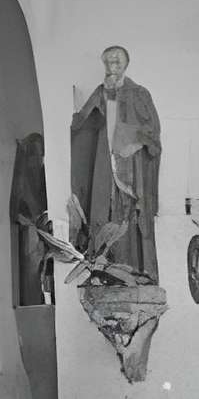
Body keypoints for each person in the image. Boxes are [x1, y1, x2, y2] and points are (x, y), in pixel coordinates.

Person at [68, 46, 161, 282]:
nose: (112, 67)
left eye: (117, 62)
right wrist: (76, 116)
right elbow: (82, 125)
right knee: (104, 208)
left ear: (126, 65)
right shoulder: (100, 93)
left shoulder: (139, 94)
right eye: (108, 63)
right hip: (104, 164)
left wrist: (133, 142)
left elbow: (152, 132)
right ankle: (106, 269)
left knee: (129, 214)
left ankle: (136, 269)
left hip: (131, 168)